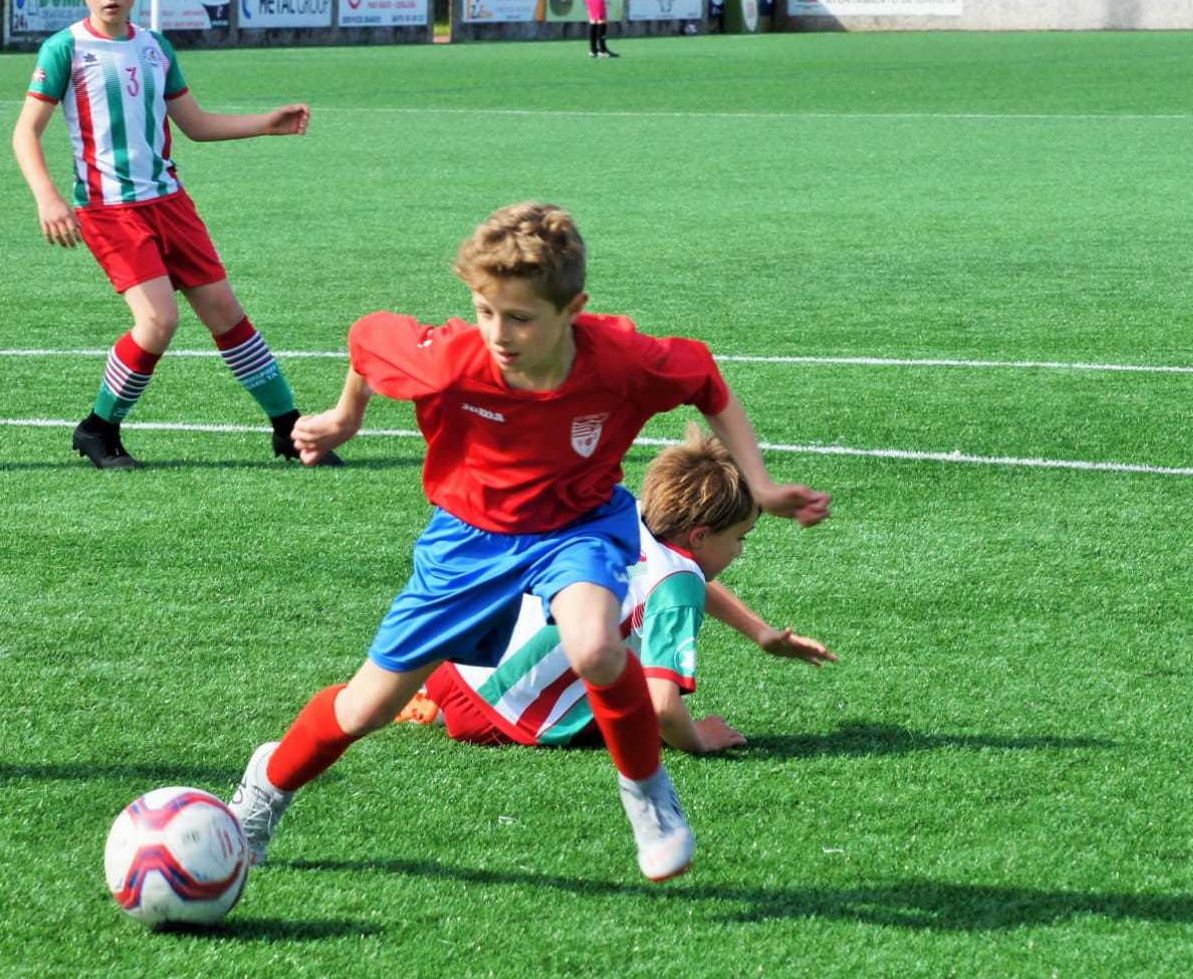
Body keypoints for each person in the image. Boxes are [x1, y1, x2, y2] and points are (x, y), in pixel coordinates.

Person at [228, 202, 830, 883]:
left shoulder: (622, 360)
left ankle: (647, 790)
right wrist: (343, 418)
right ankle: (267, 785)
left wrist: (762, 485)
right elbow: (369, 339)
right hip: (468, 538)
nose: (498, 333)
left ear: (574, 309)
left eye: (519, 317)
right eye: (485, 310)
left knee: (596, 646)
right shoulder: (451, 361)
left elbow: (706, 382)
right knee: (367, 708)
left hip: (579, 526)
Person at [10, 0, 337, 470]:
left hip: (170, 202)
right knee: (159, 322)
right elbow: (25, 133)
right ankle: (98, 429)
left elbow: (195, 124)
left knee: (225, 312)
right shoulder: (65, 48)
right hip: (110, 210)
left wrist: (266, 124)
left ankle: (287, 428)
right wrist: (47, 197)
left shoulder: (155, 47)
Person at [398, 424, 837, 753]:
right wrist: (699, 738)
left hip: (451, 666)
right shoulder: (679, 583)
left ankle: (430, 701)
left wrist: (760, 632)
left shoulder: (628, 514)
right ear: (701, 536)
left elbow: (677, 576)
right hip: (502, 716)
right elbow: (663, 708)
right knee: (628, 704)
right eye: (740, 538)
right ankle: (457, 712)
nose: (739, 551)